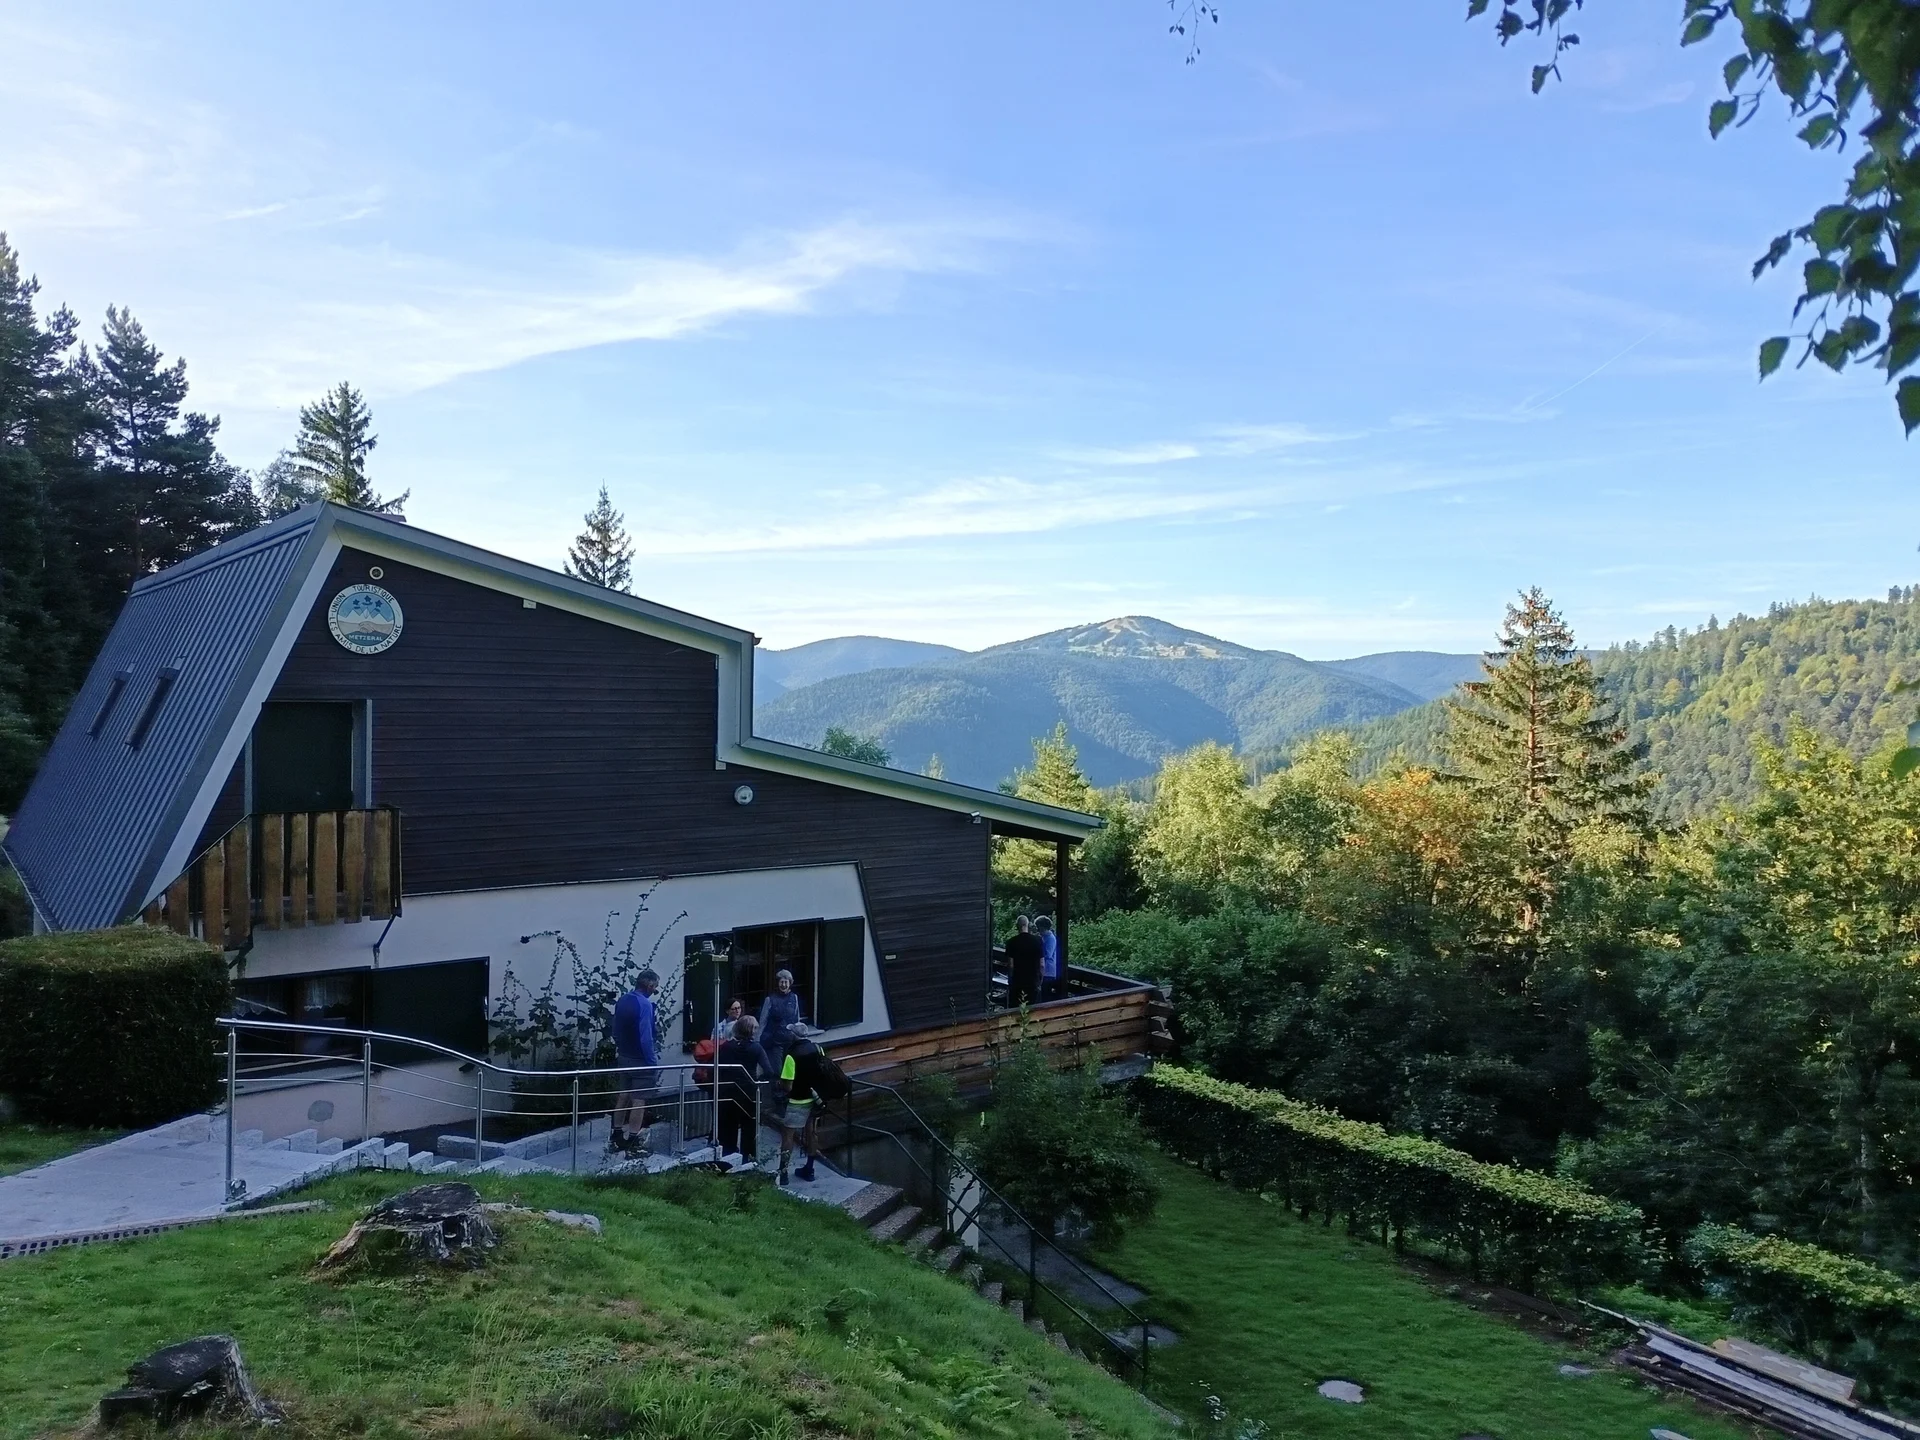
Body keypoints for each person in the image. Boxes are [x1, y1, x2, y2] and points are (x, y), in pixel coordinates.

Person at [610, 969, 660, 1155]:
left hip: (624, 1056)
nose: (654, 991)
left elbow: (615, 1029)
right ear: (649, 985)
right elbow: (645, 1037)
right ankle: (633, 1140)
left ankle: (615, 1137)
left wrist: (621, 1048)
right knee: (639, 1099)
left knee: (623, 1095)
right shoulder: (645, 1005)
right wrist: (652, 1061)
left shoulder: (623, 1000)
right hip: (641, 1059)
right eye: (655, 988)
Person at [714, 1014, 772, 1162]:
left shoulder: (726, 1046)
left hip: (728, 1091)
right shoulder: (756, 1048)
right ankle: (748, 1159)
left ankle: (728, 1158)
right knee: (749, 1127)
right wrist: (758, 1080)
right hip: (749, 1092)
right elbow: (769, 1071)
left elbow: (718, 1067)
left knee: (728, 1127)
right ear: (751, 1031)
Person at [776, 1026, 828, 1185]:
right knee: (812, 1133)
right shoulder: (818, 1049)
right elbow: (823, 1072)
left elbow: (788, 1086)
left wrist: (780, 1085)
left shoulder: (791, 1055)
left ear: (794, 1036)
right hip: (815, 1099)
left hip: (797, 1101)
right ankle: (809, 1169)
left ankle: (783, 1173)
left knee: (788, 1135)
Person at [757, 968, 804, 1080]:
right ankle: (777, 1094)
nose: (783, 985)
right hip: (775, 1041)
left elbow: (796, 1019)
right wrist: (757, 1039)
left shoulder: (794, 998)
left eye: (786, 982)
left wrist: (799, 1036)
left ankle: (787, 1093)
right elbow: (762, 1021)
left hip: (789, 1040)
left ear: (790, 983)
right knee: (777, 1070)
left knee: (788, 1069)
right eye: (781, 982)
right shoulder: (770, 1000)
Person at [1005, 915, 1043, 1009]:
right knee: (1033, 1010)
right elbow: (1042, 965)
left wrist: (1010, 980)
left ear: (1017, 926)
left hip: (1017, 982)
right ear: (1027, 925)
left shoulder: (1011, 942)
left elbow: (1011, 965)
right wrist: (1040, 981)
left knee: (1016, 1010)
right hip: (1033, 981)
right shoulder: (1038, 941)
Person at [1035, 915, 1062, 1001]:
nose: (1037, 929)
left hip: (1048, 971)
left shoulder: (1050, 938)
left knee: (1045, 994)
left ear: (1043, 927)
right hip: (1043, 970)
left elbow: (1048, 954)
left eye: (1038, 927)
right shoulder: (1043, 937)